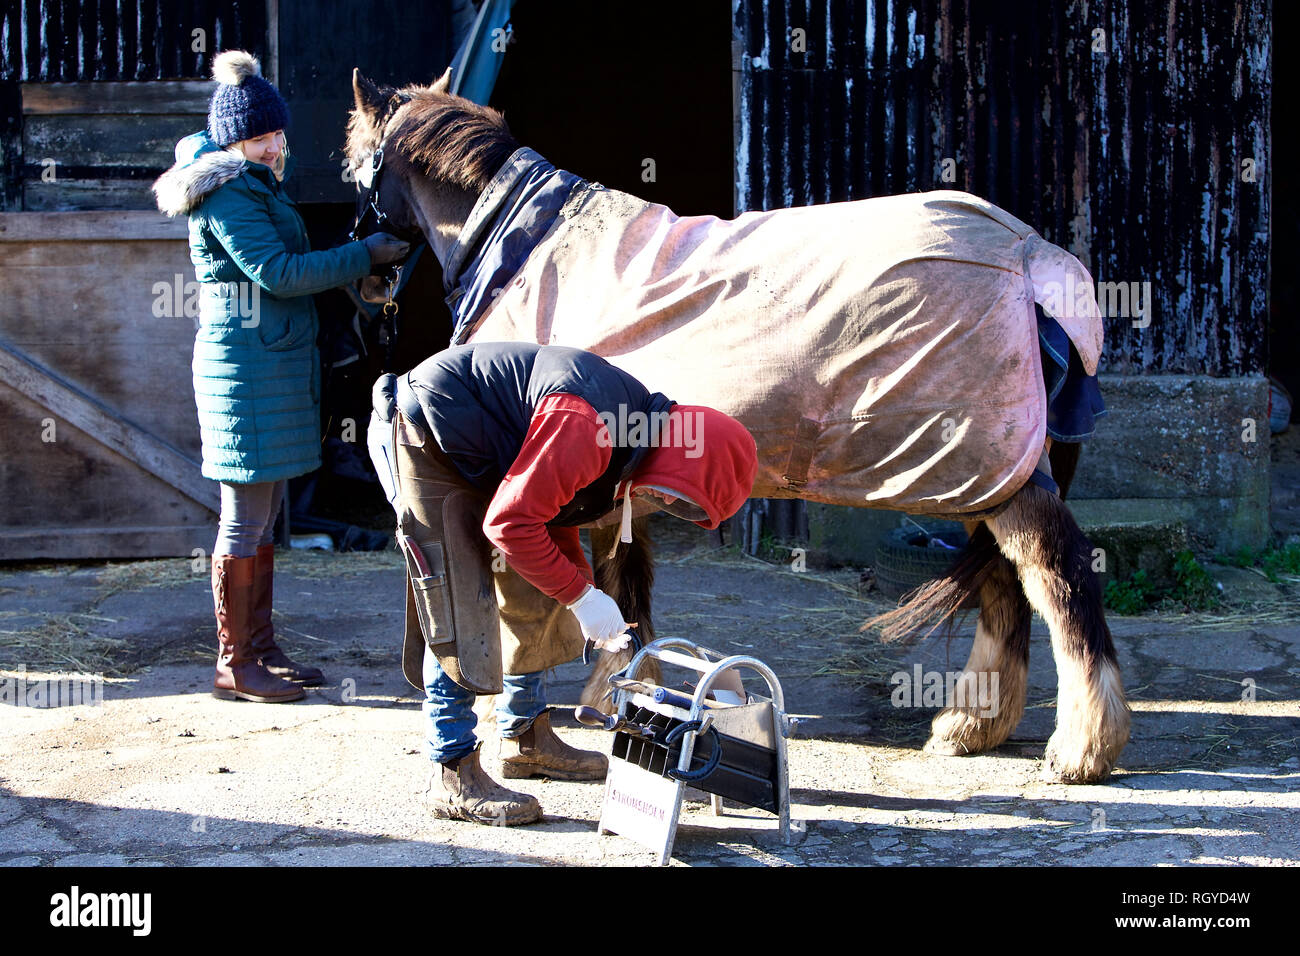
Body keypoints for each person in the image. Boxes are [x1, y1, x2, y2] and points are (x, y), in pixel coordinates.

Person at [368, 342, 758, 825]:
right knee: (458, 603)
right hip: (425, 434)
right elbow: (512, 525)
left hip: (483, 449)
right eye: (673, 493)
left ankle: (526, 738)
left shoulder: (636, 429)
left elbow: (553, 511)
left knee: (540, 587)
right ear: (685, 454)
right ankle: (452, 772)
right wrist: (580, 595)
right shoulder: (590, 425)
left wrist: (577, 589)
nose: (661, 500)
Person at [153, 50, 410, 703]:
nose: (273, 147)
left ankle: (258, 648)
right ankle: (235, 663)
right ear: (232, 139)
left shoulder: (251, 182)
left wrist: (359, 260)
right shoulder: (226, 192)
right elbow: (279, 273)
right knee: (243, 520)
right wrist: (362, 256)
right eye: (259, 137)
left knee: (261, 521)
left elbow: (289, 264)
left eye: (277, 134)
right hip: (245, 371)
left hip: (265, 364)